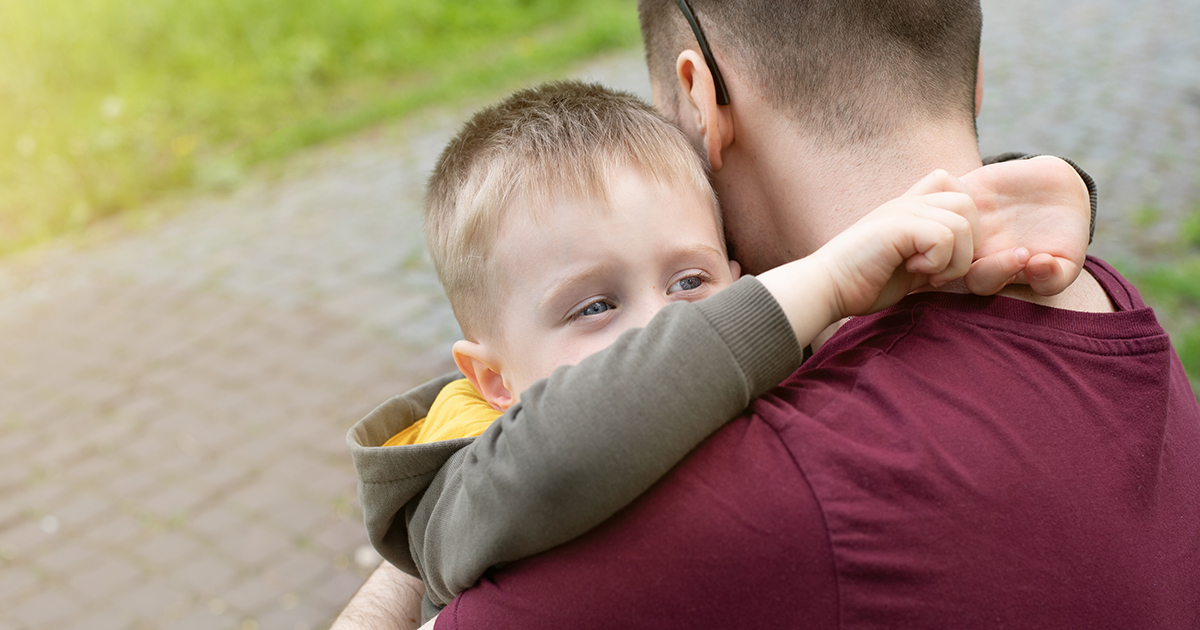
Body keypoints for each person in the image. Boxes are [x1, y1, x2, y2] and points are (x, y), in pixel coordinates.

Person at [342, 0, 1200, 627]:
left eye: (688, 283)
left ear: (697, 98)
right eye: (597, 305)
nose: (659, 328)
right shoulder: (1100, 302)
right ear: (974, 81)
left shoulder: (728, 505)